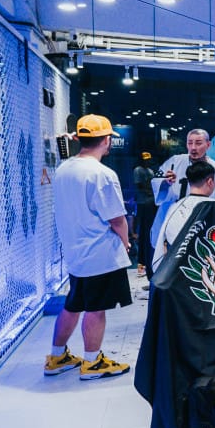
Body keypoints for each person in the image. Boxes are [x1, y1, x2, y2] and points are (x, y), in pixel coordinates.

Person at [46, 114, 133, 380]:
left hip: (74, 250)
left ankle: (56, 355)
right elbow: (116, 218)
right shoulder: (102, 174)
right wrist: (126, 241)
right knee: (96, 308)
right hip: (99, 252)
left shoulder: (63, 169)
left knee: (74, 304)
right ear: (106, 141)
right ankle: (92, 362)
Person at [152, 160, 215, 274]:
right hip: (209, 269)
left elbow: (162, 243)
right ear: (210, 181)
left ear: (188, 182)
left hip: (176, 268)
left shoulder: (175, 208)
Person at [155, 129, 215, 206]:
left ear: (208, 145)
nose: (193, 147)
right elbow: (157, 183)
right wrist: (166, 183)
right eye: (190, 143)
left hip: (203, 213)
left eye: (198, 143)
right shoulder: (174, 162)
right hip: (174, 212)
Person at [132, 151, 158, 278]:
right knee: (141, 229)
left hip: (151, 204)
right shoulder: (138, 170)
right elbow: (140, 186)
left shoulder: (151, 171)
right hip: (142, 203)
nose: (147, 161)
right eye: (145, 159)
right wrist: (151, 193)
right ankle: (140, 263)